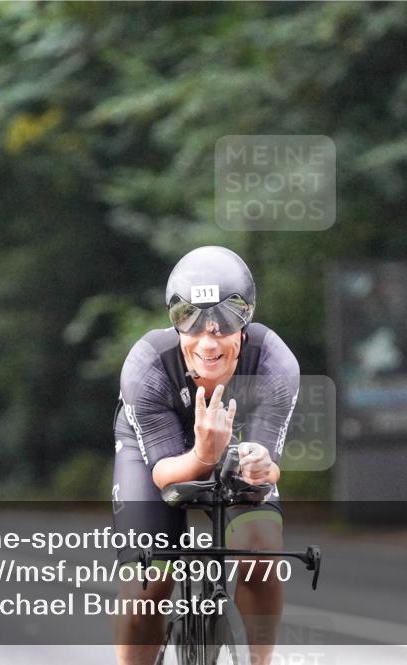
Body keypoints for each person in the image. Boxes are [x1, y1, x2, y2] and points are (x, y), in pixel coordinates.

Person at [112, 246, 300, 665]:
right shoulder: (147, 367)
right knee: (149, 583)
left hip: (235, 441)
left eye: (223, 327)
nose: (208, 342)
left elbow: (269, 465)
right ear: (176, 325)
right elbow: (164, 475)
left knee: (261, 548)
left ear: (245, 324)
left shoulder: (274, 363)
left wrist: (261, 466)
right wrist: (203, 453)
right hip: (157, 453)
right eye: (192, 325)